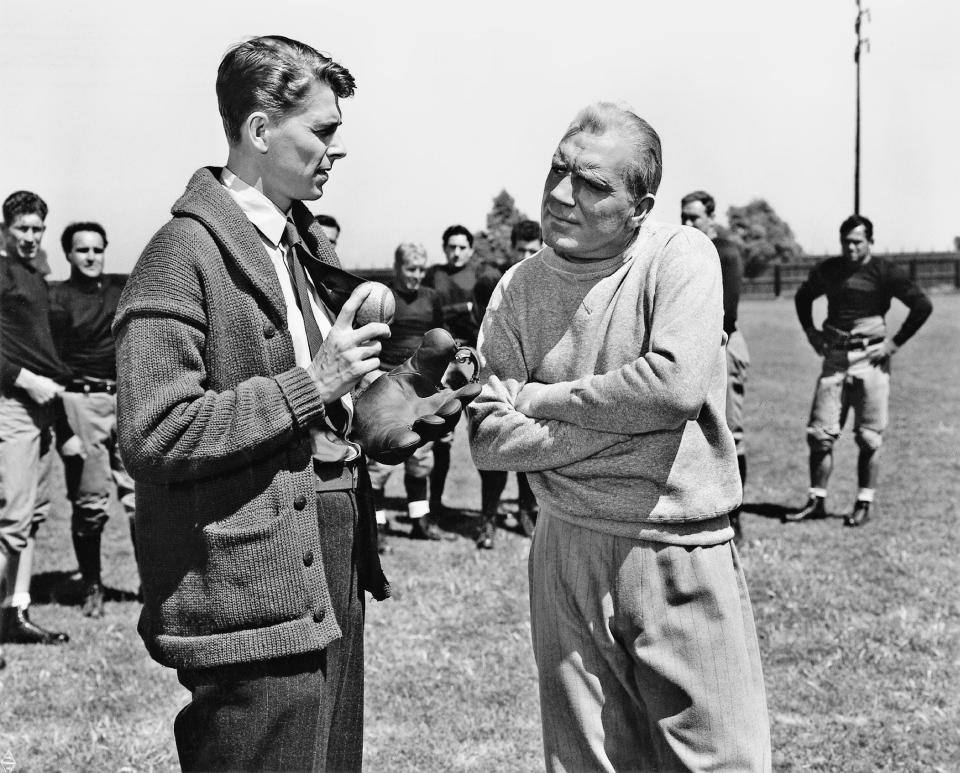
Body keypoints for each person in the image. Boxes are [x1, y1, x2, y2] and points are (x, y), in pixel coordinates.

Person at [113, 36, 391, 771]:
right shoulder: (179, 254)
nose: (338, 150)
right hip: (250, 601)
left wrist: (393, 407)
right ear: (261, 131)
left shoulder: (299, 244)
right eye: (324, 131)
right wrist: (314, 384)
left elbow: (318, 405)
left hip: (327, 576)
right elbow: (154, 428)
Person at [470, 102, 770, 771]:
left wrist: (544, 400)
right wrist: (633, 430)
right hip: (564, 547)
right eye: (557, 169)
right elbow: (489, 437)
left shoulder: (682, 256)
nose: (558, 195)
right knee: (586, 761)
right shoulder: (517, 286)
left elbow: (672, 390)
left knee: (719, 761)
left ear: (640, 205)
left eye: (592, 185)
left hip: (678, 544)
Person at [787, 214, 932, 527]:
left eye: (857, 241)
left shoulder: (885, 271)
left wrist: (892, 345)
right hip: (835, 358)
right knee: (820, 434)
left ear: (870, 241)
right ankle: (817, 500)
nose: (851, 248)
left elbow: (922, 305)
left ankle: (864, 502)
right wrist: (811, 332)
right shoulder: (830, 270)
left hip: (871, 359)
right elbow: (803, 296)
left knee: (868, 437)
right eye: (846, 242)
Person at [48, 221, 137, 618]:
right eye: (82, 250)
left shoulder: (122, 288)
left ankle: (151, 588)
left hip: (124, 399)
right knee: (90, 504)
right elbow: (47, 366)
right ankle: (92, 587)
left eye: (97, 250)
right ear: (68, 254)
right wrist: (61, 428)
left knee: (141, 500)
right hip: (79, 403)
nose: (90, 257)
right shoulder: (57, 298)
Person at [0, 191, 72, 671]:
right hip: (15, 404)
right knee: (10, 519)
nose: (30, 237)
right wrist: (23, 379)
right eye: (22, 228)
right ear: (6, 227)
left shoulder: (37, 273)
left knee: (32, 517)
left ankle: (15, 612)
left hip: (44, 407)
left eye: (37, 229)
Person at [367, 242, 449, 544]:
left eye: (421, 269)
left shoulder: (431, 298)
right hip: (387, 385)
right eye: (410, 269)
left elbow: (441, 337)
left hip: (422, 387)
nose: (416, 275)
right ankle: (376, 524)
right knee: (383, 455)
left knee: (421, 452)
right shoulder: (382, 299)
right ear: (397, 267)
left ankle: (419, 519)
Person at [681, 190, 750, 543]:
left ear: (711, 216)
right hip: (692, 345)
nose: (689, 223)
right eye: (684, 217)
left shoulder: (724, 250)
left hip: (722, 343)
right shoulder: (682, 250)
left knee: (729, 431)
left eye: (695, 217)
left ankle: (734, 516)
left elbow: (729, 312)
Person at [473, 220, 543, 548]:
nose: (527, 255)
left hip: (534, 379)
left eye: (534, 250)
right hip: (496, 376)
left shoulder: (547, 281)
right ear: (512, 248)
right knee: (494, 448)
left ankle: (527, 512)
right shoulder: (494, 280)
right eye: (522, 250)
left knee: (528, 449)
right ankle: (487, 519)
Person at [422, 224, 484, 519]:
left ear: (471, 250)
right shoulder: (434, 275)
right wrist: (463, 308)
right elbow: (430, 314)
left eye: (462, 247)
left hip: (473, 358)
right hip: (442, 360)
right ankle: (434, 503)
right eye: (452, 247)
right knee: (440, 432)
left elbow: (483, 316)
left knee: (484, 428)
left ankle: (488, 513)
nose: (457, 252)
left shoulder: (481, 276)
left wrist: (464, 310)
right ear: (444, 248)